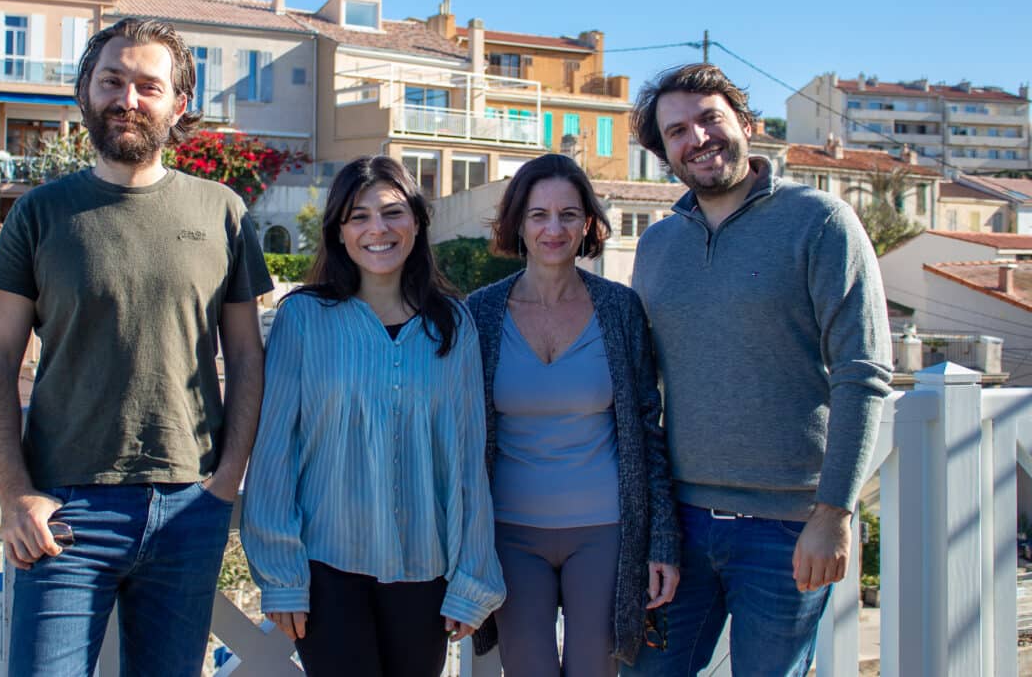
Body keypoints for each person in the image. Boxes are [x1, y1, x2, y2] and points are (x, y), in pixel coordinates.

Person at [0, 17, 273, 677]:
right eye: (112, 80)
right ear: (85, 91)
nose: (128, 99)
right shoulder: (40, 213)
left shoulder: (223, 212)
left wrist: (227, 479)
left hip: (190, 508)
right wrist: (15, 494)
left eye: (148, 85)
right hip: (65, 513)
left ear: (178, 104)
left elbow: (247, 355)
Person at [624, 63, 893, 676]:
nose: (697, 138)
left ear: (747, 123)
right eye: (676, 131)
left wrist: (834, 514)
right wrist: (653, 522)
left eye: (710, 118)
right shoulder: (658, 244)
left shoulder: (821, 222)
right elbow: (645, 389)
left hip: (788, 528)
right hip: (682, 529)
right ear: (664, 152)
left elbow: (863, 371)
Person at [241, 155, 505, 677]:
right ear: (339, 232)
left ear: (417, 224)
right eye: (359, 216)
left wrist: (471, 578)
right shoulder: (303, 318)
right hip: (325, 572)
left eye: (392, 213)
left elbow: (467, 460)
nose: (377, 229)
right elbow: (274, 453)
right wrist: (281, 575)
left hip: (425, 574)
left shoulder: (453, 324)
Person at [465, 153, 680, 676]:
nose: (553, 229)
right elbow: (458, 434)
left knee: (596, 669)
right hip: (508, 532)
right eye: (539, 215)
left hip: (605, 529)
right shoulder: (480, 312)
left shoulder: (620, 308)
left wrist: (662, 542)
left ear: (588, 223)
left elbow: (648, 431)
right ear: (517, 222)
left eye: (568, 214)